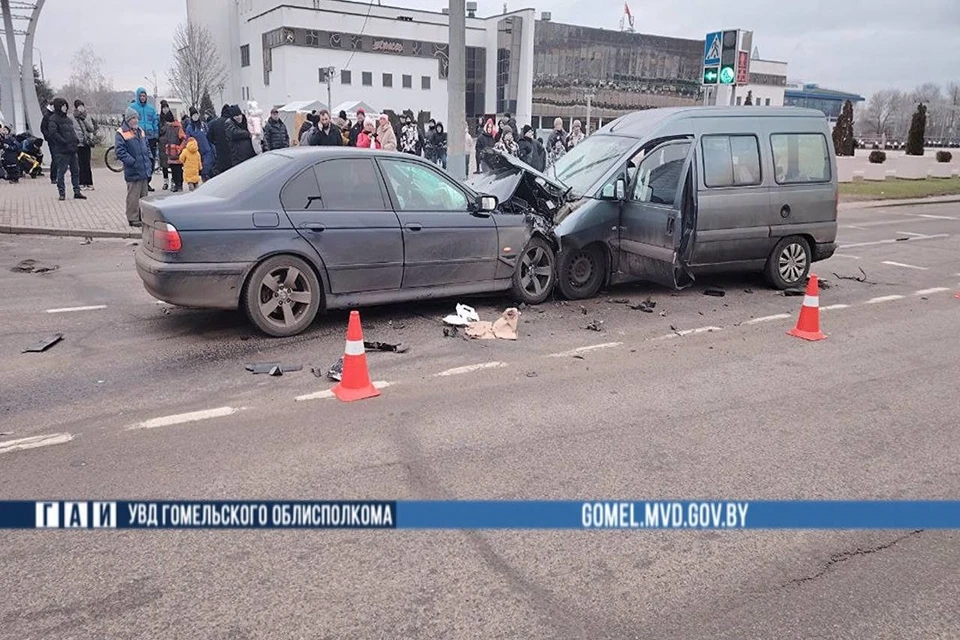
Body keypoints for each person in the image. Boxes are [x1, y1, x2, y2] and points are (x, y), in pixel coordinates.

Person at [114, 107, 152, 227]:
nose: (136, 120)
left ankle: (142, 216)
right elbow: (120, 151)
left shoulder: (140, 131)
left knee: (144, 196)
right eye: (133, 118)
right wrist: (132, 162)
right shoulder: (121, 133)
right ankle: (133, 218)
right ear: (128, 119)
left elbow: (147, 146)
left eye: (137, 118)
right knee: (133, 196)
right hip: (133, 170)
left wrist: (150, 160)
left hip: (144, 168)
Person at [46, 97, 86, 201]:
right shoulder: (53, 119)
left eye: (66, 106)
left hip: (72, 148)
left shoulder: (68, 119)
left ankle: (77, 191)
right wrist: (64, 141)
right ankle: (62, 192)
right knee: (61, 172)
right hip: (62, 150)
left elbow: (72, 131)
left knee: (75, 171)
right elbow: (53, 134)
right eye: (63, 106)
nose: (65, 108)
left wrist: (75, 140)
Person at [129, 87, 159, 191]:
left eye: (144, 95)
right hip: (138, 137)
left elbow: (155, 121)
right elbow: (128, 121)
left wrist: (156, 134)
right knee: (141, 159)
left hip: (150, 137)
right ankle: (141, 181)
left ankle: (148, 181)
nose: (142, 97)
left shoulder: (151, 109)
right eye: (141, 96)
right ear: (138, 96)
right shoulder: (133, 107)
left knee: (151, 160)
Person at [185, 107, 216, 181]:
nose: (195, 116)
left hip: (207, 150)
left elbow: (209, 137)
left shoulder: (204, 125)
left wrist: (213, 149)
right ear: (191, 117)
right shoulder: (190, 128)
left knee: (207, 166)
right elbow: (188, 140)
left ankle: (206, 177)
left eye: (196, 114)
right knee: (199, 168)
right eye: (193, 115)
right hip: (196, 151)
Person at [72, 100, 97, 190]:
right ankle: (81, 182)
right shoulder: (72, 118)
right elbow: (73, 130)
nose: (81, 108)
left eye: (82, 106)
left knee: (87, 163)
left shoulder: (87, 116)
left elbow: (91, 128)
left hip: (86, 143)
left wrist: (84, 120)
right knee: (80, 163)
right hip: (78, 143)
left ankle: (89, 183)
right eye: (79, 106)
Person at [162, 115, 186, 192]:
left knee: (178, 170)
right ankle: (176, 184)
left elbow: (184, 139)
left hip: (177, 153)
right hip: (170, 153)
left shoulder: (178, 128)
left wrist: (180, 148)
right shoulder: (168, 129)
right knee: (173, 170)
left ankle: (179, 185)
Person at [208, 104, 232, 176]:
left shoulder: (214, 123)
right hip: (232, 152)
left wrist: (216, 142)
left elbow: (209, 136)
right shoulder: (231, 122)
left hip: (220, 151)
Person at [40, 102, 57, 184]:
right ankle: (53, 177)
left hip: (59, 140)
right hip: (52, 140)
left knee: (59, 158)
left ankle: (57, 175)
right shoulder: (47, 116)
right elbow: (43, 128)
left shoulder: (57, 115)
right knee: (55, 157)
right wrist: (48, 137)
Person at [157, 101, 172, 189]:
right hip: (162, 143)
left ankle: (174, 181)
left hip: (171, 142)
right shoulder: (160, 119)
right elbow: (159, 130)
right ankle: (165, 182)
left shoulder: (172, 117)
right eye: (164, 108)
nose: (165, 109)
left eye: (167, 107)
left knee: (173, 163)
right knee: (164, 164)